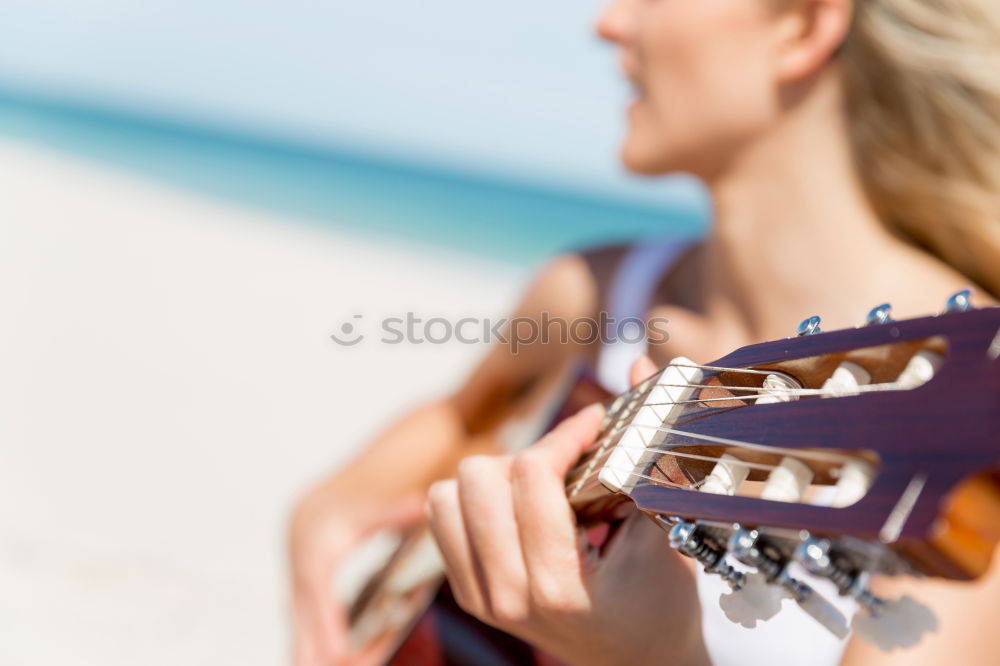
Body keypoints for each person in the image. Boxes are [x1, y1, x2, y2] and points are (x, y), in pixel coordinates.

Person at [288, 0, 1000, 663]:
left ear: (803, 24)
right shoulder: (593, 289)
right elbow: (458, 416)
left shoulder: (965, 416)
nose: (609, 21)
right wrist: (330, 507)